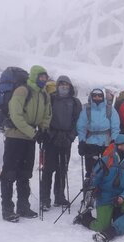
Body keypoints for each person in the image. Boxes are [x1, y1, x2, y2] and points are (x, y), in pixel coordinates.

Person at [0, 65, 52, 222]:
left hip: (30, 138)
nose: (43, 80)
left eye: (45, 77)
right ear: (35, 76)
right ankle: (7, 209)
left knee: (25, 173)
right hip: (15, 135)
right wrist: (33, 132)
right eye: (41, 77)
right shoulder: (22, 91)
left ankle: (23, 206)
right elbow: (16, 115)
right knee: (9, 173)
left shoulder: (44, 94)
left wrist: (43, 129)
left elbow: (47, 113)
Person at [73, 134, 124, 232]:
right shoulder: (106, 160)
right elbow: (95, 178)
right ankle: (84, 218)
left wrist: (123, 197)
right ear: (116, 146)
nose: (123, 148)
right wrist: (92, 188)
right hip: (105, 197)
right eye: (121, 145)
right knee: (101, 227)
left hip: (121, 196)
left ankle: (116, 213)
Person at [40, 76, 82, 210]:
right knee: (48, 169)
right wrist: (50, 134)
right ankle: (45, 199)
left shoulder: (75, 102)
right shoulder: (51, 99)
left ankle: (59, 196)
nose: (64, 86)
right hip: (51, 139)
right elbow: (45, 117)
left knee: (62, 169)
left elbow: (78, 121)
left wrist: (71, 136)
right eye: (61, 84)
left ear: (70, 86)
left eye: (66, 84)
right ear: (57, 86)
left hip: (66, 139)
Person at [77, 88, 120, 186]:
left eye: (99, 95)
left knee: (107, 168)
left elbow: (115, 126)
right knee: (91, 170)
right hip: (91, 142)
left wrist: (114, 140)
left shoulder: (109, 109)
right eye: (95, 95)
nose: (97, 97)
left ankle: (105, 191)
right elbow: (81, 127)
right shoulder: (87, 109)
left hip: (107, 142)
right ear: (91, 96)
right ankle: (89, 192)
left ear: (103, 96)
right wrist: (82, 141)